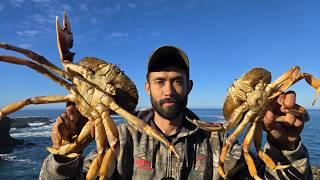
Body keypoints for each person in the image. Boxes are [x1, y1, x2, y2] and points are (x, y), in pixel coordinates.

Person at [39, 45, 312, 179]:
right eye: (159, 81)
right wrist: (66, 154)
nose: (168, 90)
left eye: (177, 80)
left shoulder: (219, 145)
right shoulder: (121, 141)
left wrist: (284, 147)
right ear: (147, 87)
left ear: (189, 86)